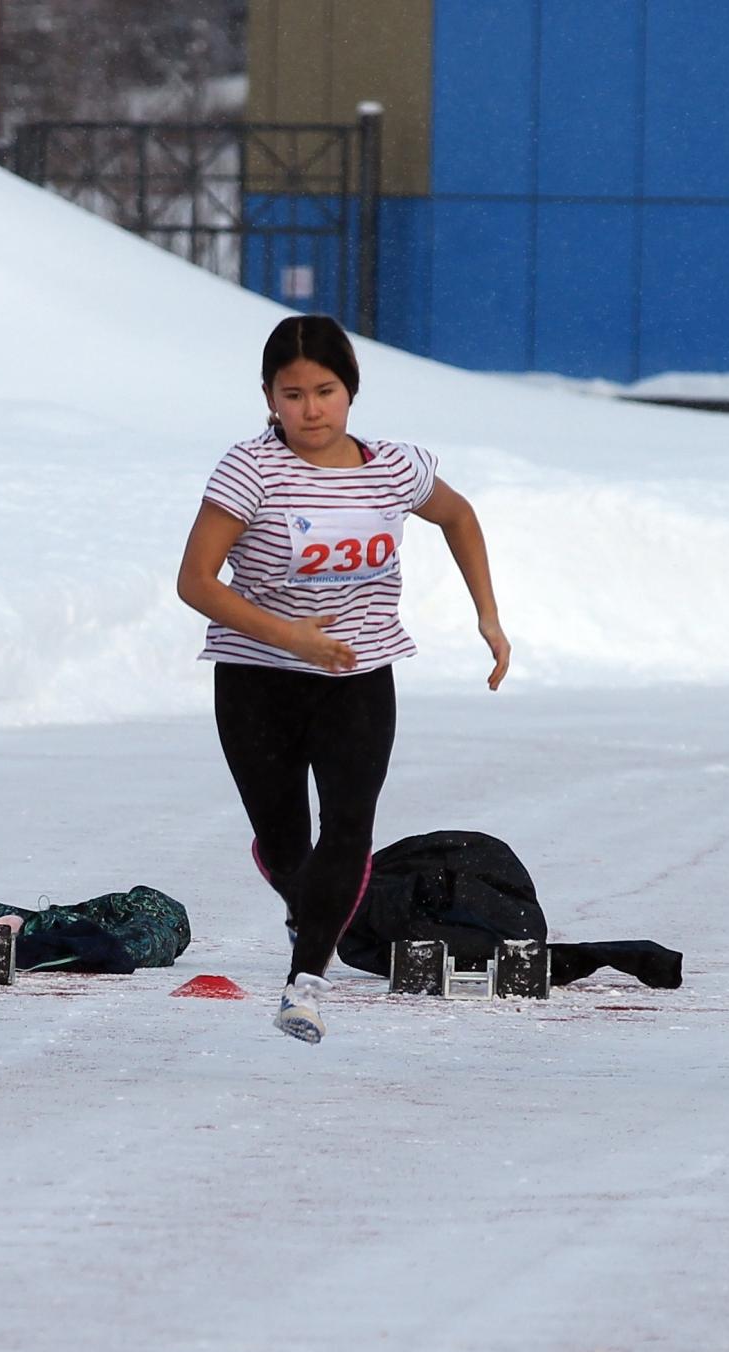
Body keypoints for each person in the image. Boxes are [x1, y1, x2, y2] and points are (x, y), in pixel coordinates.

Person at [177, 314, 509, 1044]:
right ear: (268, 397)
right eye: (291, 395)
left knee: (349, 829)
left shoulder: (393, 466)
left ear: (350, 391)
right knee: (287, 843)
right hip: (256, 679)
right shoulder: (249, 468)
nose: (310, 409)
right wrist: (288, 635)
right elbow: (196, 581)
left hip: (358, 677)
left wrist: (487, 614)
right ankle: (309, 905)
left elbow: (458, 516)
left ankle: (306, 982)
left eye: (324, 391)